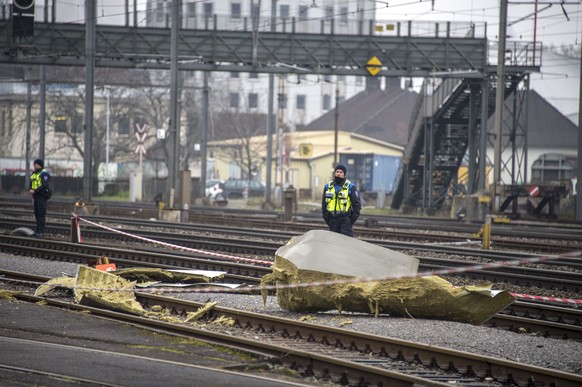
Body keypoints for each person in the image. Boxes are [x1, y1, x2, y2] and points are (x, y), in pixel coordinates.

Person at [321, 164, 361, 237]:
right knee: (333, 243)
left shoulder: (351, 187)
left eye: (341, 172)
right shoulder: (328, 186)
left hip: (345, 219)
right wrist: (326, 217)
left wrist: (350, 221)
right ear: (335, 173)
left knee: (346, 243)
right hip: (332, 219)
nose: (338, 174)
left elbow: (357, 206)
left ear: (344, 174)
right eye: (337, 171)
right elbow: (324, 204)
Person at [28, 159, 51, 238]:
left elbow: (44, 185)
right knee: (37, 214)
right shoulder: (34, 173)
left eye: (35, 164)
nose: (34, 166)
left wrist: (35, 191)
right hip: (35, 196)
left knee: (41, 214)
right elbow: (32, 183)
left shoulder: (44, 174)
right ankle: (37, 231)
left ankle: (41, 232)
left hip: (41, 196)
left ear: (39, 165)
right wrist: (30, 189)